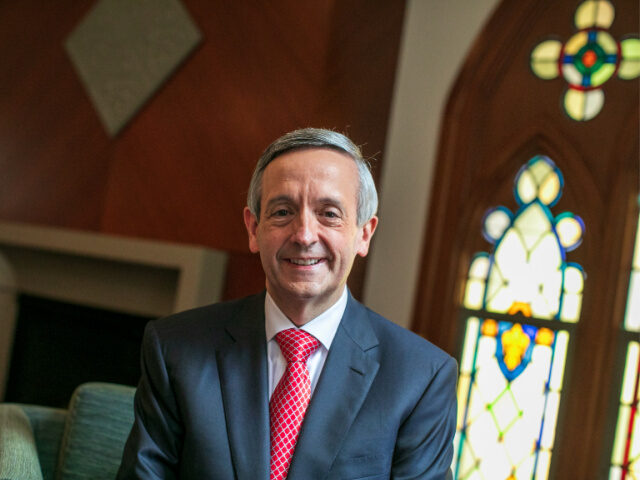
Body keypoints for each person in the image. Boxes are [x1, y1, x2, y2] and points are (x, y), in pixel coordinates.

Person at [117, 128, 457, 479]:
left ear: (364, 234)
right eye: (282, 212)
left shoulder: (422, 379)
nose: (305, 235)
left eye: (329, 213)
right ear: (253, 229)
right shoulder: (174, 348)